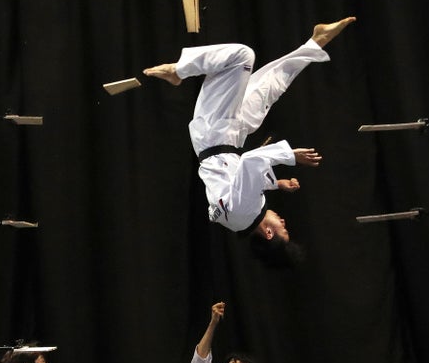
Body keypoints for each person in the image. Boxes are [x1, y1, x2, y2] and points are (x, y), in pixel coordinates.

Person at [143, 16, 356, 269]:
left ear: (268, 234)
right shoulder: (239, 219)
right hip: (229, 135)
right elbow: (236, 184)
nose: (284, 223)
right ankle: (317, 41)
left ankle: (178, 71)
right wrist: (276, 183)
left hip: (215, 130)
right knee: (272, 84)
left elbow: (251, 161)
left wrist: (290, 155)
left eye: (283, 231)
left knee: (242, 56)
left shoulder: (247, 210)